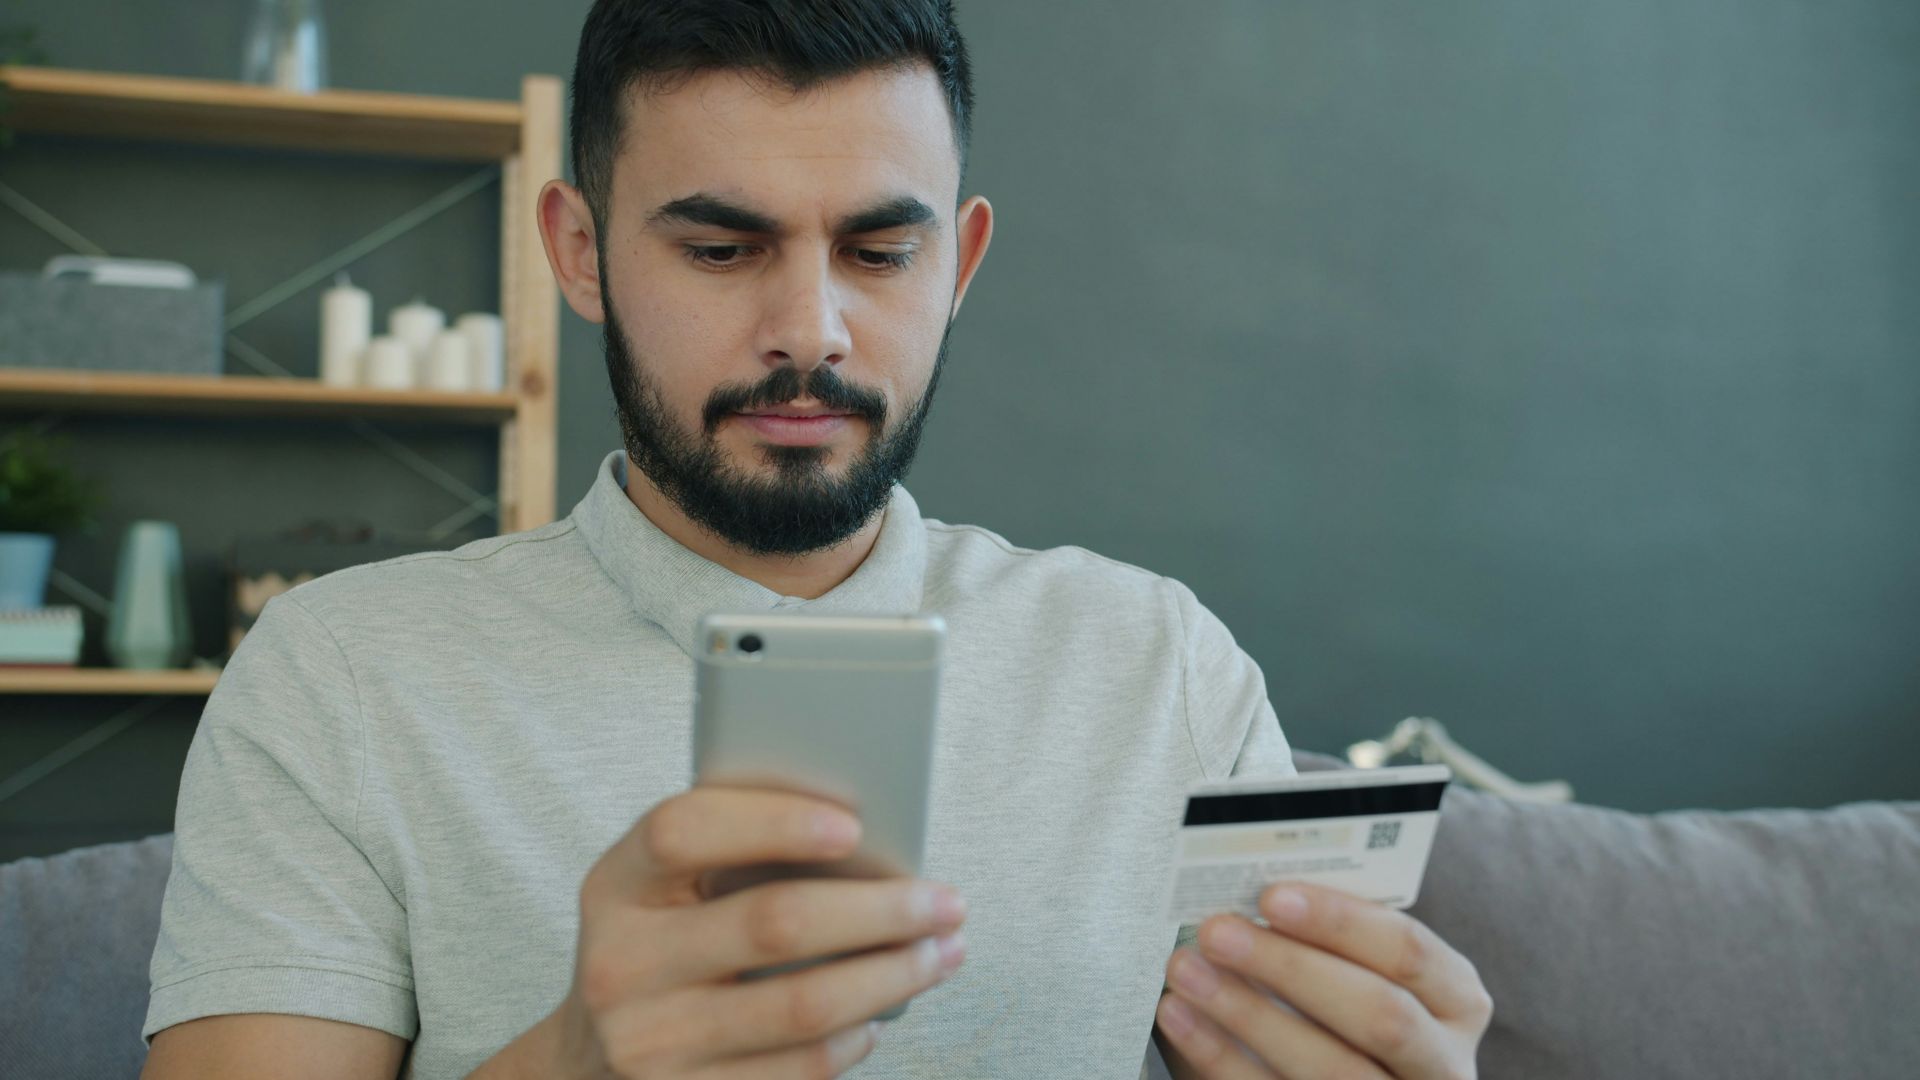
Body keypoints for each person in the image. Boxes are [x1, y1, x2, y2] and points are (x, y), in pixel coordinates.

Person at [140, 2, 1492, 1078]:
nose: (812, 330)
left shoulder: (1157, 666)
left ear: (956, 266)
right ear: (578, 251)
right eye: (723, 250)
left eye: (877, 253)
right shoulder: (342, 677)